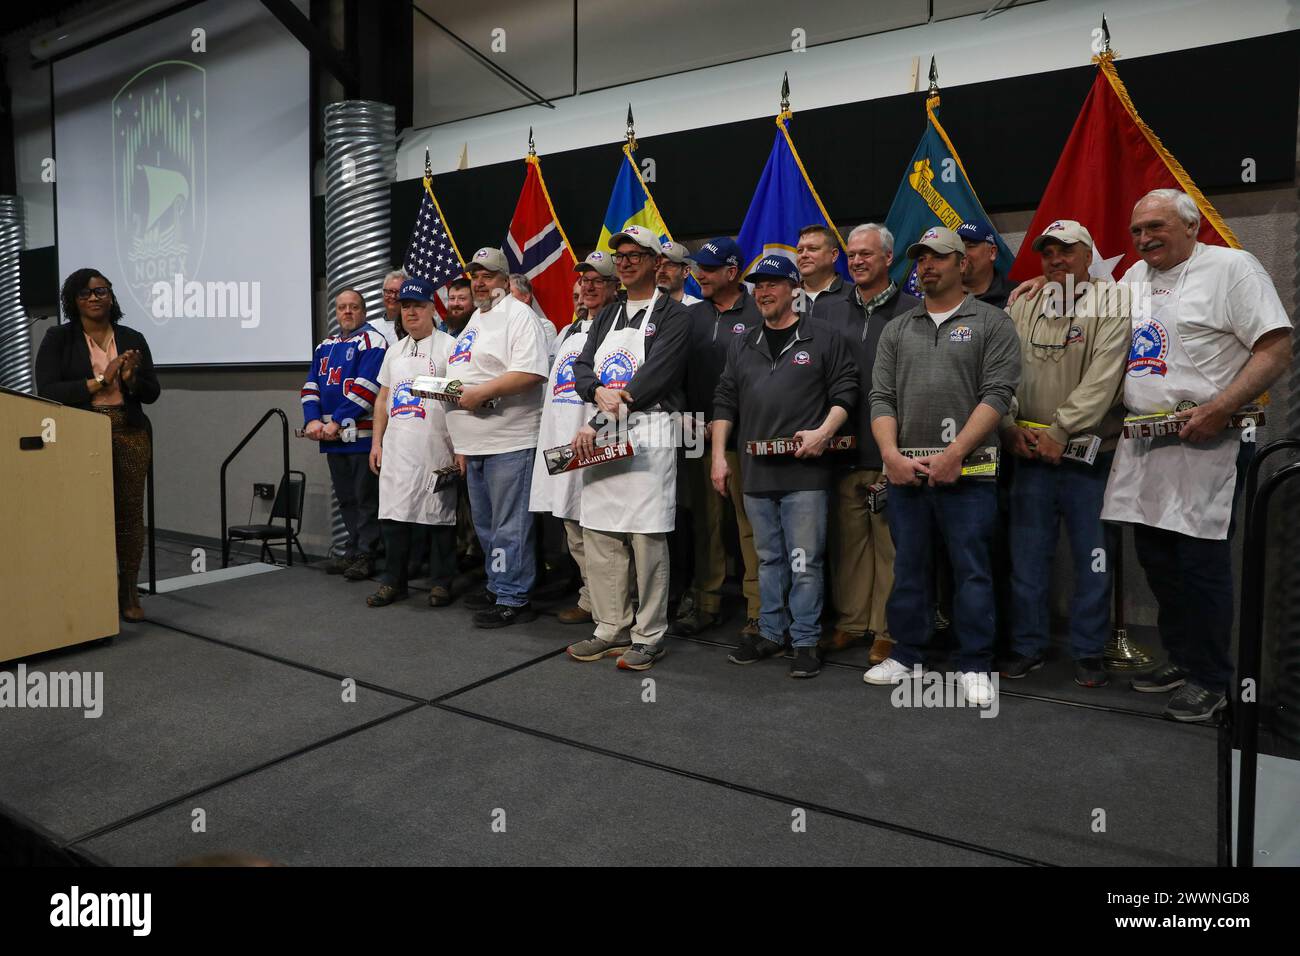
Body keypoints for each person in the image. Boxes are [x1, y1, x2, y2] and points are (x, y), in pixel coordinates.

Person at [1102, 189, 1292, 721]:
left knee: (1201, 564)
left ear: (1192, 225)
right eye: (1137, 231)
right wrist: (1043, 288)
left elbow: (1276, 348)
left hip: (1214, 440)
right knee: (1158, 563)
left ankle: (1211, 679)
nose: (1144, 239)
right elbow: (1096, 331)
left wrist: (1219, 407)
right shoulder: (1133, 279)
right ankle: (1182, 660)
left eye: (1156, 227)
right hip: (1146, 445)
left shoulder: (1234, 267)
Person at [864, 227, 1021, 706]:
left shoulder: (993, 323)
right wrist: (889, 455)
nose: (926, 266)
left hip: (970, 472)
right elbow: (882, 397)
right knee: (910, 566)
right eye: (920, 259)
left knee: (971, 569)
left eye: (937, 257)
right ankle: (909, 652)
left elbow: (998, 394)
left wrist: (956, 454)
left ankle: (975, 662)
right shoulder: (898, 328)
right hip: (906, 475)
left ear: (962, 265)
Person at [998, 220, 1130, 688]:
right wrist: (1008, 425)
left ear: (1088, 254)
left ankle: (1089, 652)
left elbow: (1105, 379)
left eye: (1066, 252)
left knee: (1093, 558)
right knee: (1027, 557)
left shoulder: (1112, 302)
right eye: (1048, 252)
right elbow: (1002, 369)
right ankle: (1028, 646)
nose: (1056, 260)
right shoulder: (1026, 301)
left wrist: (1060, 429)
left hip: (1089, 457)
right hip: (1029, 456)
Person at [712, 256, 857, 678]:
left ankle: (807, 640)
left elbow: (847, 390)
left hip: (805, 471)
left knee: (803, 559)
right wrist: (720, 456)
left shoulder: (823, 337)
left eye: (773, 284)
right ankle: (772, 633)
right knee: (768, 558)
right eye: (758, 286)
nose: (763, 292)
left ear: (794, 288)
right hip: (755, 470)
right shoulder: (743, 342)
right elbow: (725, 399)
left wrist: (824, 432)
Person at [566, 225, 692, 670]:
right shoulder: (607, 314)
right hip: (602, 431)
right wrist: (595, 389)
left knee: (646, 536)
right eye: (619, 255)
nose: (625, 261)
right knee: (600, 532)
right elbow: (583, 366)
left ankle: (649, 633)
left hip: (649, 431)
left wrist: (603, 407)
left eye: (635, 254)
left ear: (658, 262)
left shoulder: (675, 316)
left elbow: (657, 375)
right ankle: (609, 626)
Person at [36, 268, 161, 622]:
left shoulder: (131, 336)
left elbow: (152, 392)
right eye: (85, 293)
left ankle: (128, 589)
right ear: (73, 301)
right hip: (81, 431)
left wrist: (131, 379)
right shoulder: (58, 338)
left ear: (111, 297)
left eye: (101, 291)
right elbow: (47, 390)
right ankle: (88, 588)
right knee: (85, 512)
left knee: (129, 515)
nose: (94, 298)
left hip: (129, 430)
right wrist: (100, 381)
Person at [818, 223, 918, 663]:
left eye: (867, 254)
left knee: (890, 544)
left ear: (888, 259)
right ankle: (852, 622)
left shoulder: (913, 311)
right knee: (849, 544)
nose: (857, 261)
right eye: (852, 255)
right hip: (841, 448)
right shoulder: (828, 311)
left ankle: (887, 629)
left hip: (891, 450)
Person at [444, 247, 549, 627]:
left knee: (508, 525)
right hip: (476, 442)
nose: (479, 281)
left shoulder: (518, 316)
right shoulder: (476, 319)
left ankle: (513, 597)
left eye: (487, 275)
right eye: (474, 275)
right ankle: (498, 582)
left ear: (505, 279)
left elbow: (532, 373)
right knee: (487, 525)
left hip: (509, 440)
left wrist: (480, 393)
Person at [672, 237, 763, 639]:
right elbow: (674, 374)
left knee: (750, 524)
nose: (699, 275)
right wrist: (685, 419)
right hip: (694, 433)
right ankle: (706, 602)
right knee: (704, 522)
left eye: (707, 269)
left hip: (743, 434)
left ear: (732, 272)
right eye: (696, 268)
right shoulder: (690, 316)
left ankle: (759, 610)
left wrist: (728, 420)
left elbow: (765, 377)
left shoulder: (759, 310)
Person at [529, 252, 619, 625]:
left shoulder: (619, 331)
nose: (588, 287)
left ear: (616, 287)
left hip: (596, 443)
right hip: (562, 442)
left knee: (604, 534)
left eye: (598, 281)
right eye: (584, 281)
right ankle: (590, 597)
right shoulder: (567, 332)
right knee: (572, 527)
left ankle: (614, 606)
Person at [365, 277, 459, 607]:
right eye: (406, 306)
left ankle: (442, 582)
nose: (411, 312)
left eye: (418, 306)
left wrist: (460, 447)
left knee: (439, 518)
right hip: (397, 447)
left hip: (436, 445)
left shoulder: (449, 347)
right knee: (393, 516)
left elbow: (461, 398)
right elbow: (382, 399)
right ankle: (394, 581)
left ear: (433, 308)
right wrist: (376, 443)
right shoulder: (394, 351)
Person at [301, 289, 387, 580]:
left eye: (353, 307)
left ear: (363, 311)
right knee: (347, 499)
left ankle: (367, 554)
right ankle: (352, 550)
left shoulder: (374, 341)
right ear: (336, 313)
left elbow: (367, 388)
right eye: (341, 308)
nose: (347, 312)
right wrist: (312, 420)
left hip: (360, 438)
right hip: (332, 440)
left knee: (366, 499)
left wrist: (336, 420)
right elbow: (311, 385)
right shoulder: (324, 346)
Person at [796, 224, 850, 318]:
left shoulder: (854, 296)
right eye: (800, 250)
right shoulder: (787, 297)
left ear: (833, 255)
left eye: (812, 249)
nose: (803, 255)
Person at [957, 219, 1011, 309]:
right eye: (957, 246)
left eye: (970, 246)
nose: (962, 253)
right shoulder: (939, 296)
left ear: (992, 253)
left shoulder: (1015, 296)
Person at [509, 271, 559, 359]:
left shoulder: (545, 326)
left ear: (525, 297)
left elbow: (540, 360)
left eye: (510, 293)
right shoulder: (500, 326)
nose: (505, 298)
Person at [657, 241, 701, 306]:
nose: (661, 270)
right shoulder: (640, 306)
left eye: (670, 265)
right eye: (658, 264)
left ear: (686, 271)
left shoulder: (698, 308)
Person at [374, 269, 408, 345]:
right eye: (389, 292)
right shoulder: (373, 328)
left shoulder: (413, 326)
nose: (393, 296)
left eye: (398, 292)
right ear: (383, 293)